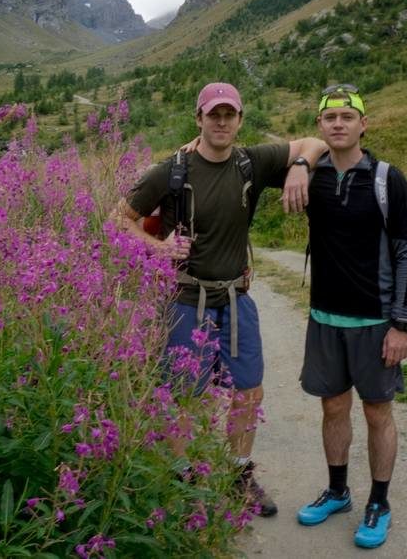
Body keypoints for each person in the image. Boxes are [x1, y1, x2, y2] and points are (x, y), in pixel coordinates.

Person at [112, 82, 327, 518]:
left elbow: (315, 141)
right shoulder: (169, 172)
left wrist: (301, 166)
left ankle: (238, 475)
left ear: (240, 120)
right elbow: (115, 221)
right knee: (183, 395)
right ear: (199, 119)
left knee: (249, 391)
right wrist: (157, 249)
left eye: (230, 114)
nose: (222, 122)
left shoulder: (252, 161)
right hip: (183, 301)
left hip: (236, 297)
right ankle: (182, 479)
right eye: (214, 114)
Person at [295, 84, 407, 549]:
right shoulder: (312, 177)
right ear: (320, 128)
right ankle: (338, 490)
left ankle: (379, 502)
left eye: (349, 116)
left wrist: (401, 324)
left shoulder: (389, 179)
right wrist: (299, 165)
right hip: (325, 317)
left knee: (377, 412)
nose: (340, 124)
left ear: (364, 124)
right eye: (331, 118)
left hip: (374, 321)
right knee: (332, 407)